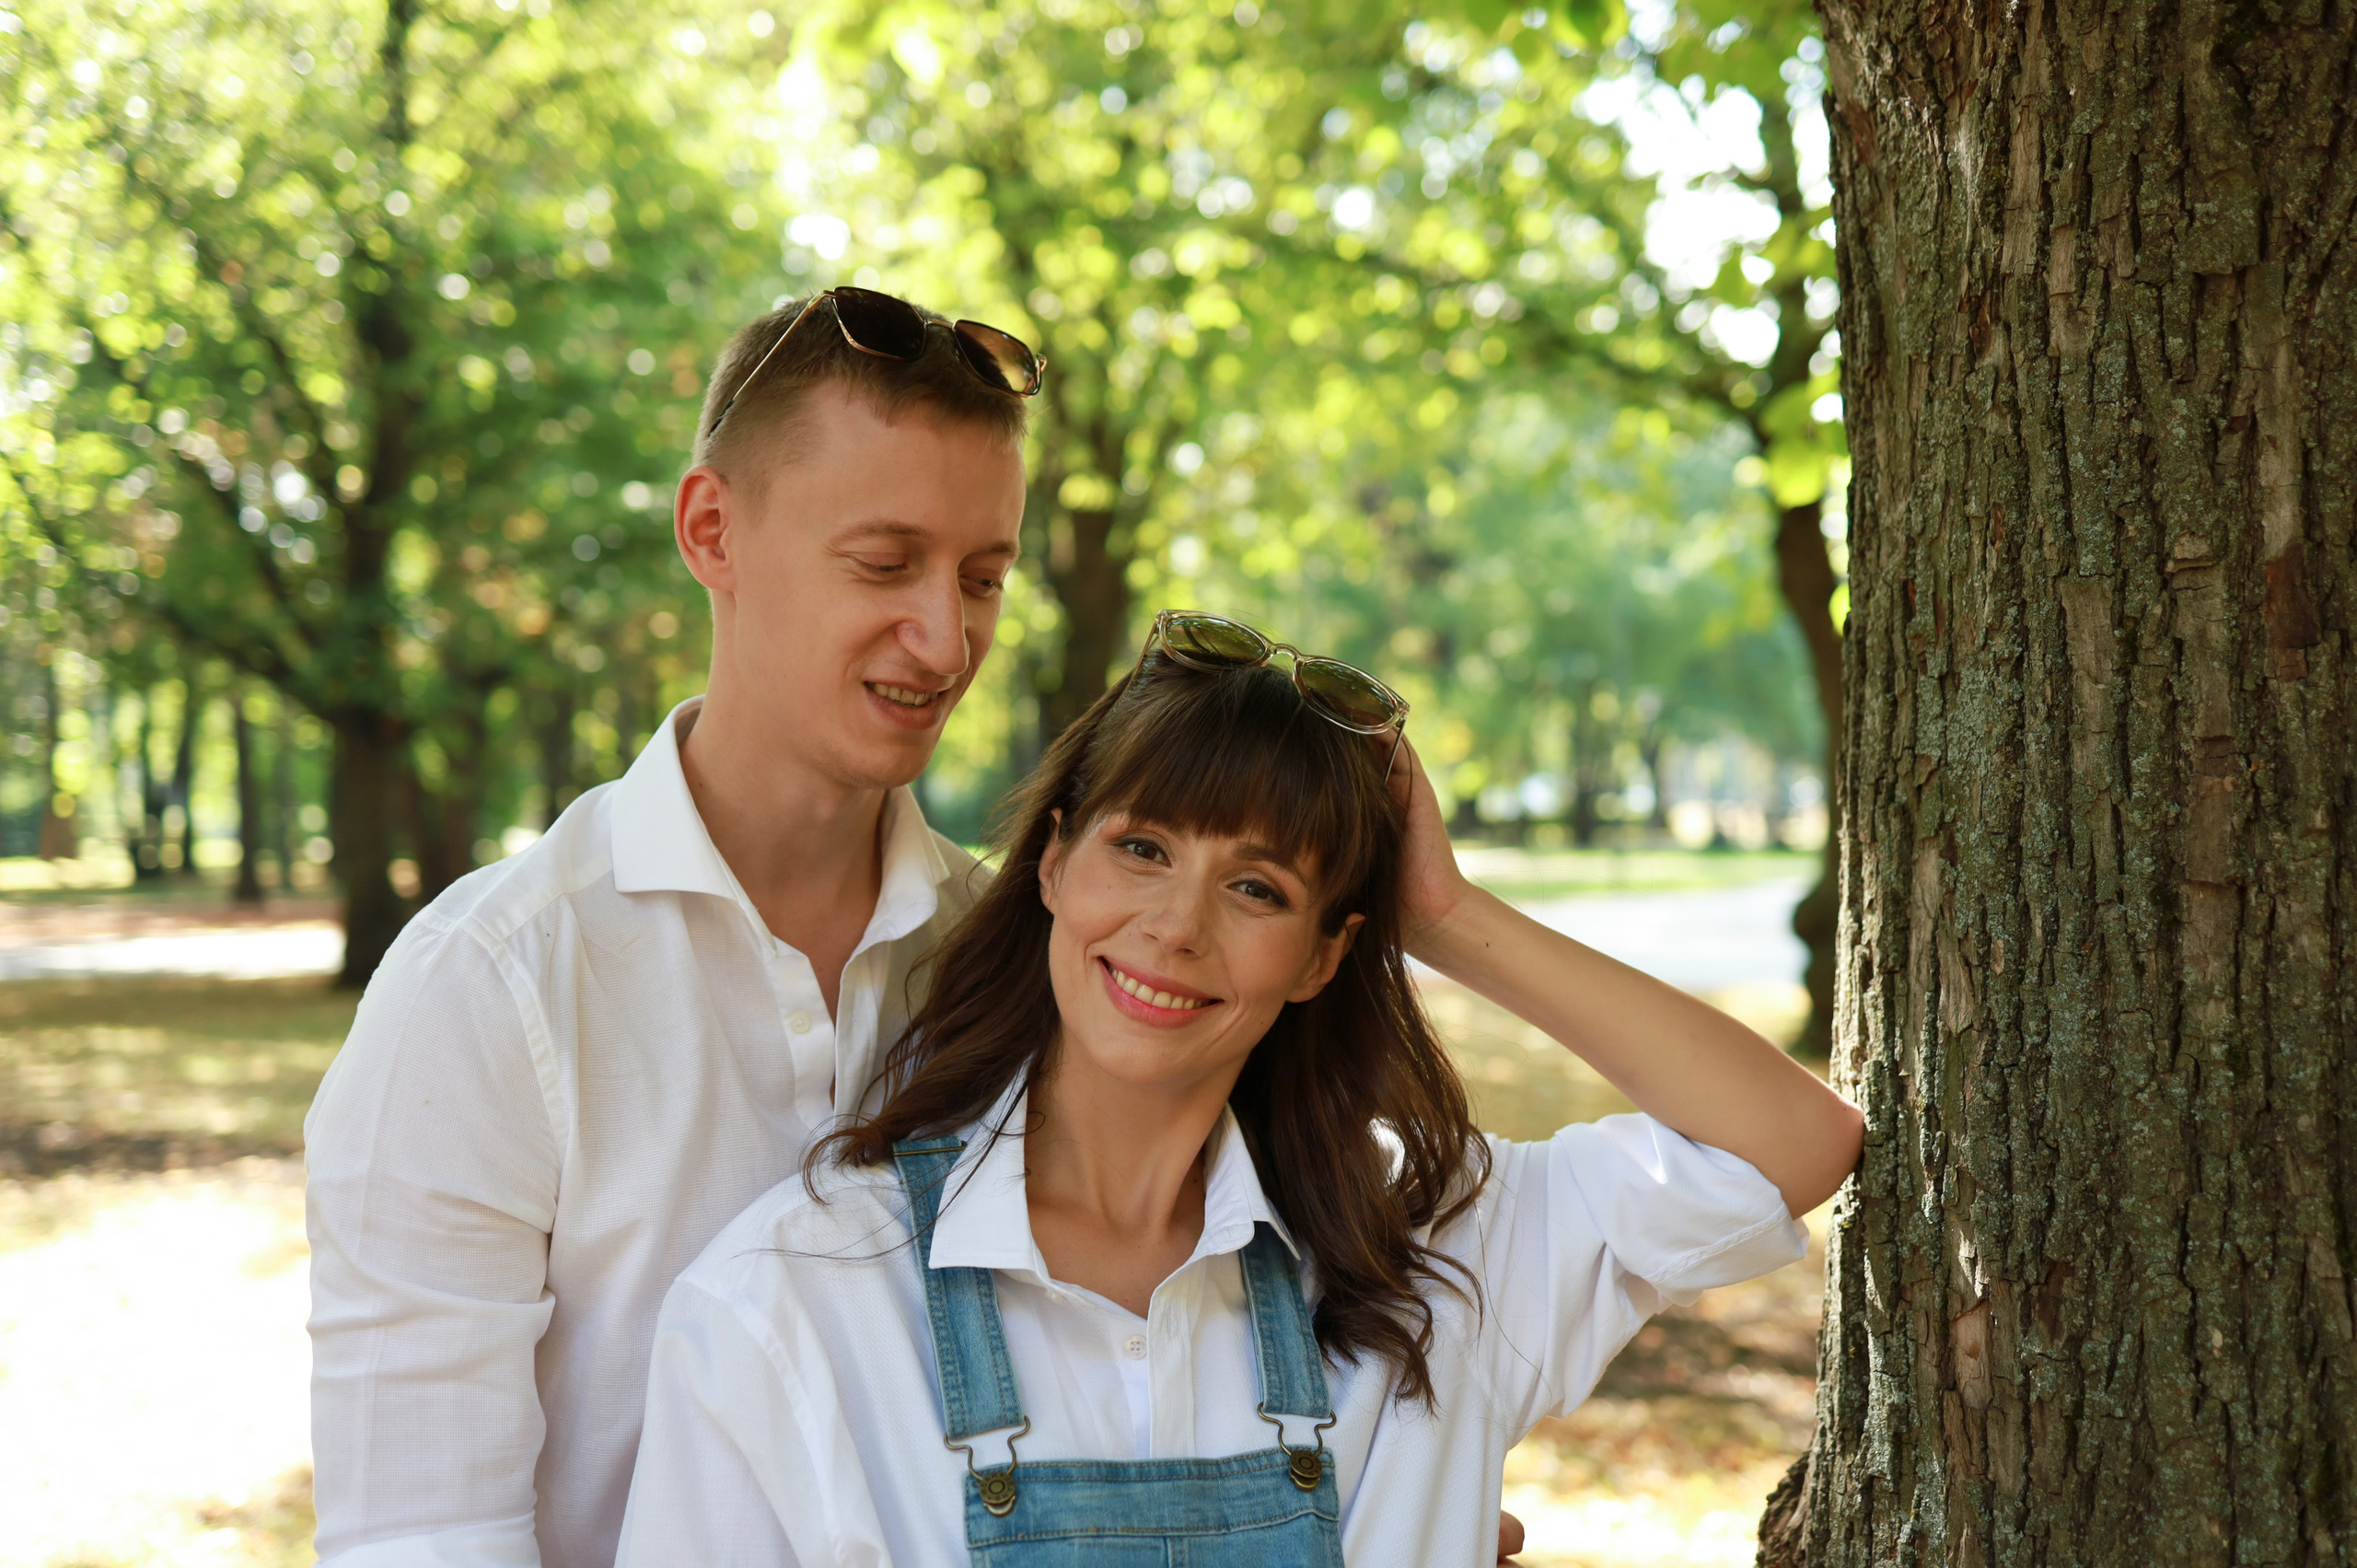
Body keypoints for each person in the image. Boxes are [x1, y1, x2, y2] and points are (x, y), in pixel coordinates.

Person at [613, 611, 1867, 1565]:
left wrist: (1448, 916)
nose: (1176, 926)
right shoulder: (795, 1309)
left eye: (1259, 888)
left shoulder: (1425, 1245)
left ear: (1326, 952)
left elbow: (1789, 1145)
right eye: (1143, 848)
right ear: (1053, 863)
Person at [302, 287, 1040, 1568]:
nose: (945, 637)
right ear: (714, 529)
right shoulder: (490, 989)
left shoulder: (1020, 963)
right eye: (884, 563)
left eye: (982, 578)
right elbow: (421, 1536)